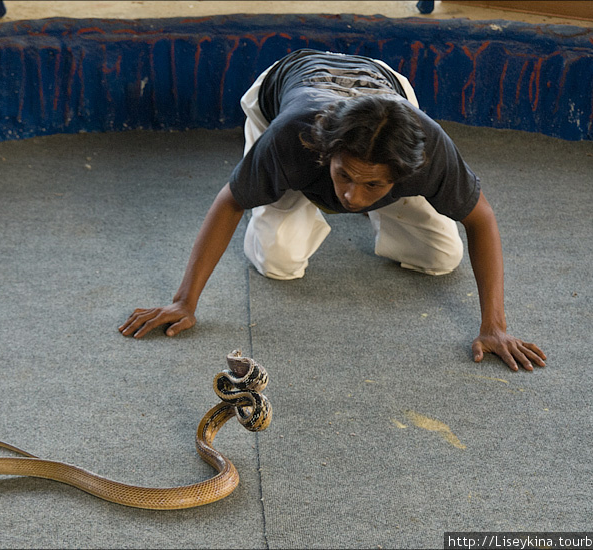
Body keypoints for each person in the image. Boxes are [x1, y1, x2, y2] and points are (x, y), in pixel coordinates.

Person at [118, 48, 546, 372]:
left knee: (442, 257)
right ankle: (297, 189)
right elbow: (230, 201)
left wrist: (495, 325)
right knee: (278, 260)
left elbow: (481, 218)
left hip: (383, 85)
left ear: (405, 173)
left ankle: (367, 192)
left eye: (373, 186)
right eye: (345, 177)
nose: (353, 198)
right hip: (287, 92)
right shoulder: (294, 139)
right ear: (328, 156)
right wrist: (183, 301)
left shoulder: (428, 149)